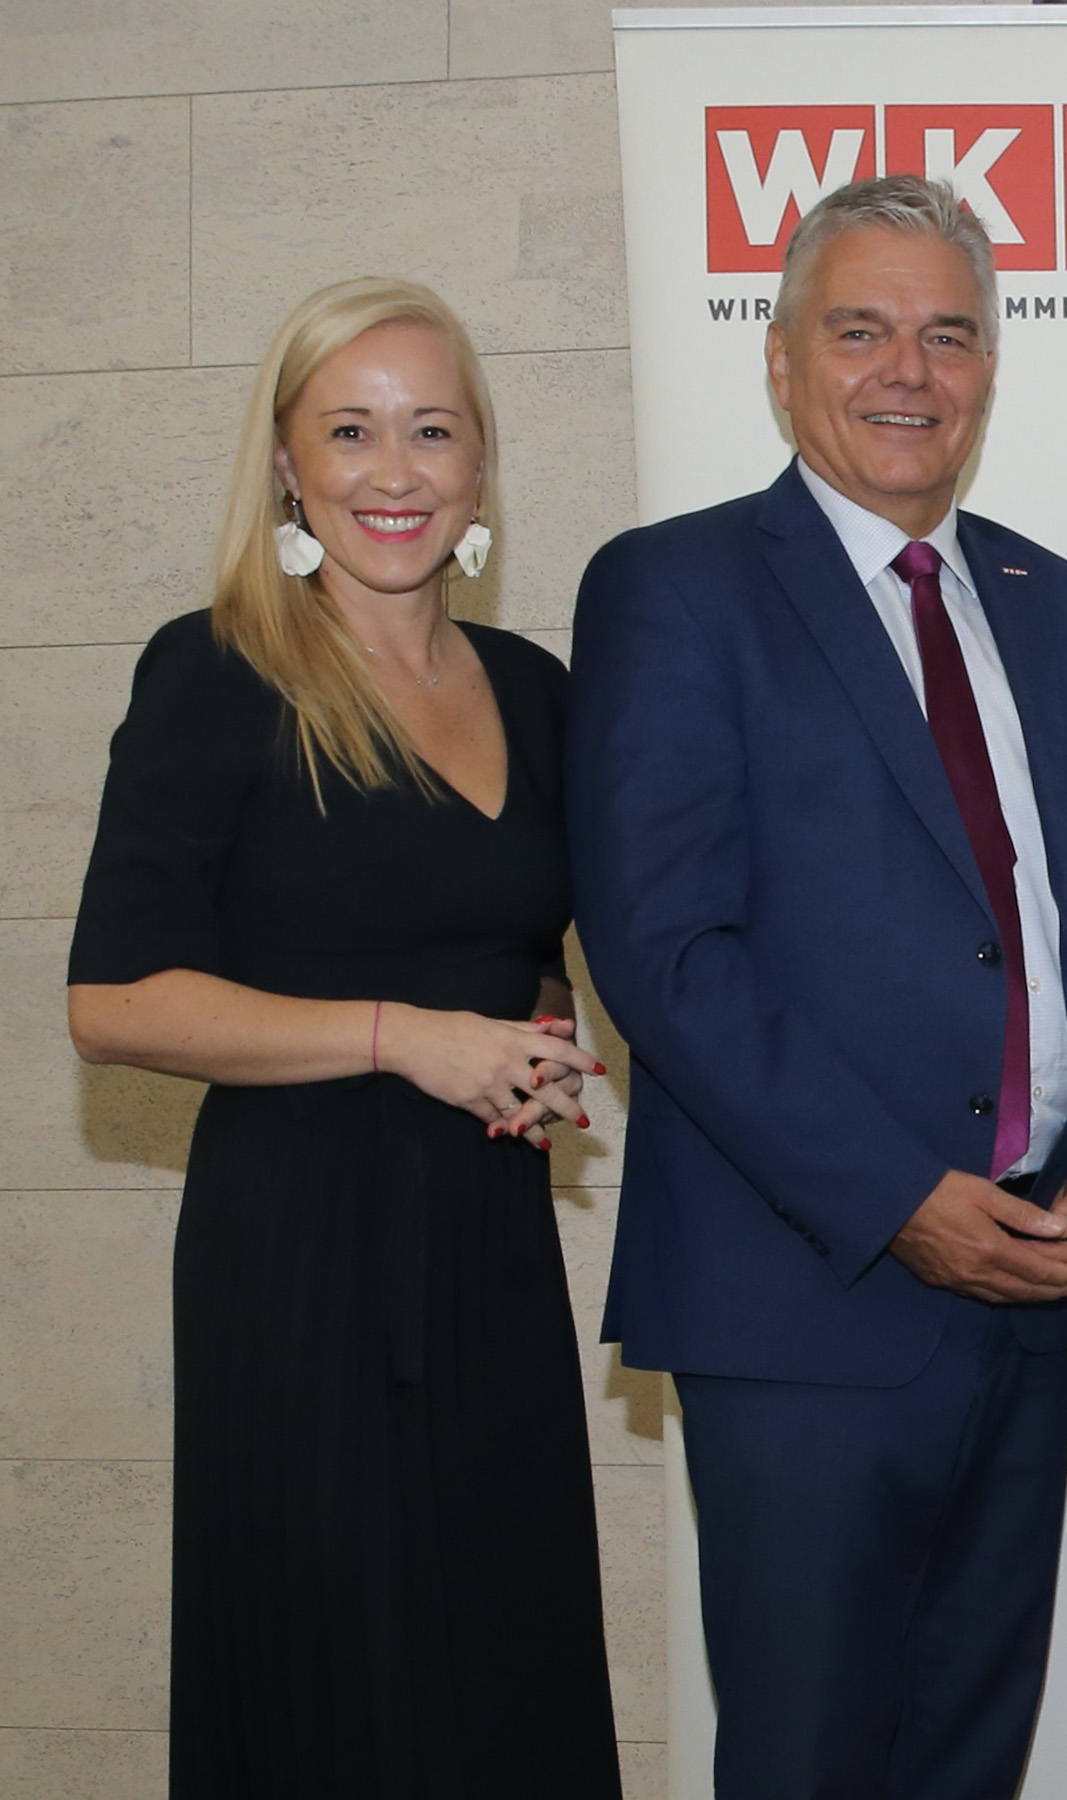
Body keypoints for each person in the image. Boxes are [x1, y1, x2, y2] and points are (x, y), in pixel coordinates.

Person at [565, 175, 1067, 1798]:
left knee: (968, 1757)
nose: (910, 370)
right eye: (861, 331)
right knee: (812, 1761)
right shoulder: (675, 588)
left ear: (989, 370)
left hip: (1033, 1290)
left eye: (949, 336)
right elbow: (662, 950)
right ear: (781, 363)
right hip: (804, 1301)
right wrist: (899, 1197)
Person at [65, 277, 618, 1797]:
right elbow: (112, 1003)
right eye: (351, 431)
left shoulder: (537, 691)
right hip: (300, 1254)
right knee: (338, 1681)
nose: (396, 472)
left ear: (480, 462)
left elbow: (518, 940)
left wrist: (539, 1031)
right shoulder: (216, 669)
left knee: (499, 1664)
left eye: (432, 430)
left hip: (488, 1246)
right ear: (288, 464)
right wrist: (404, 1039)